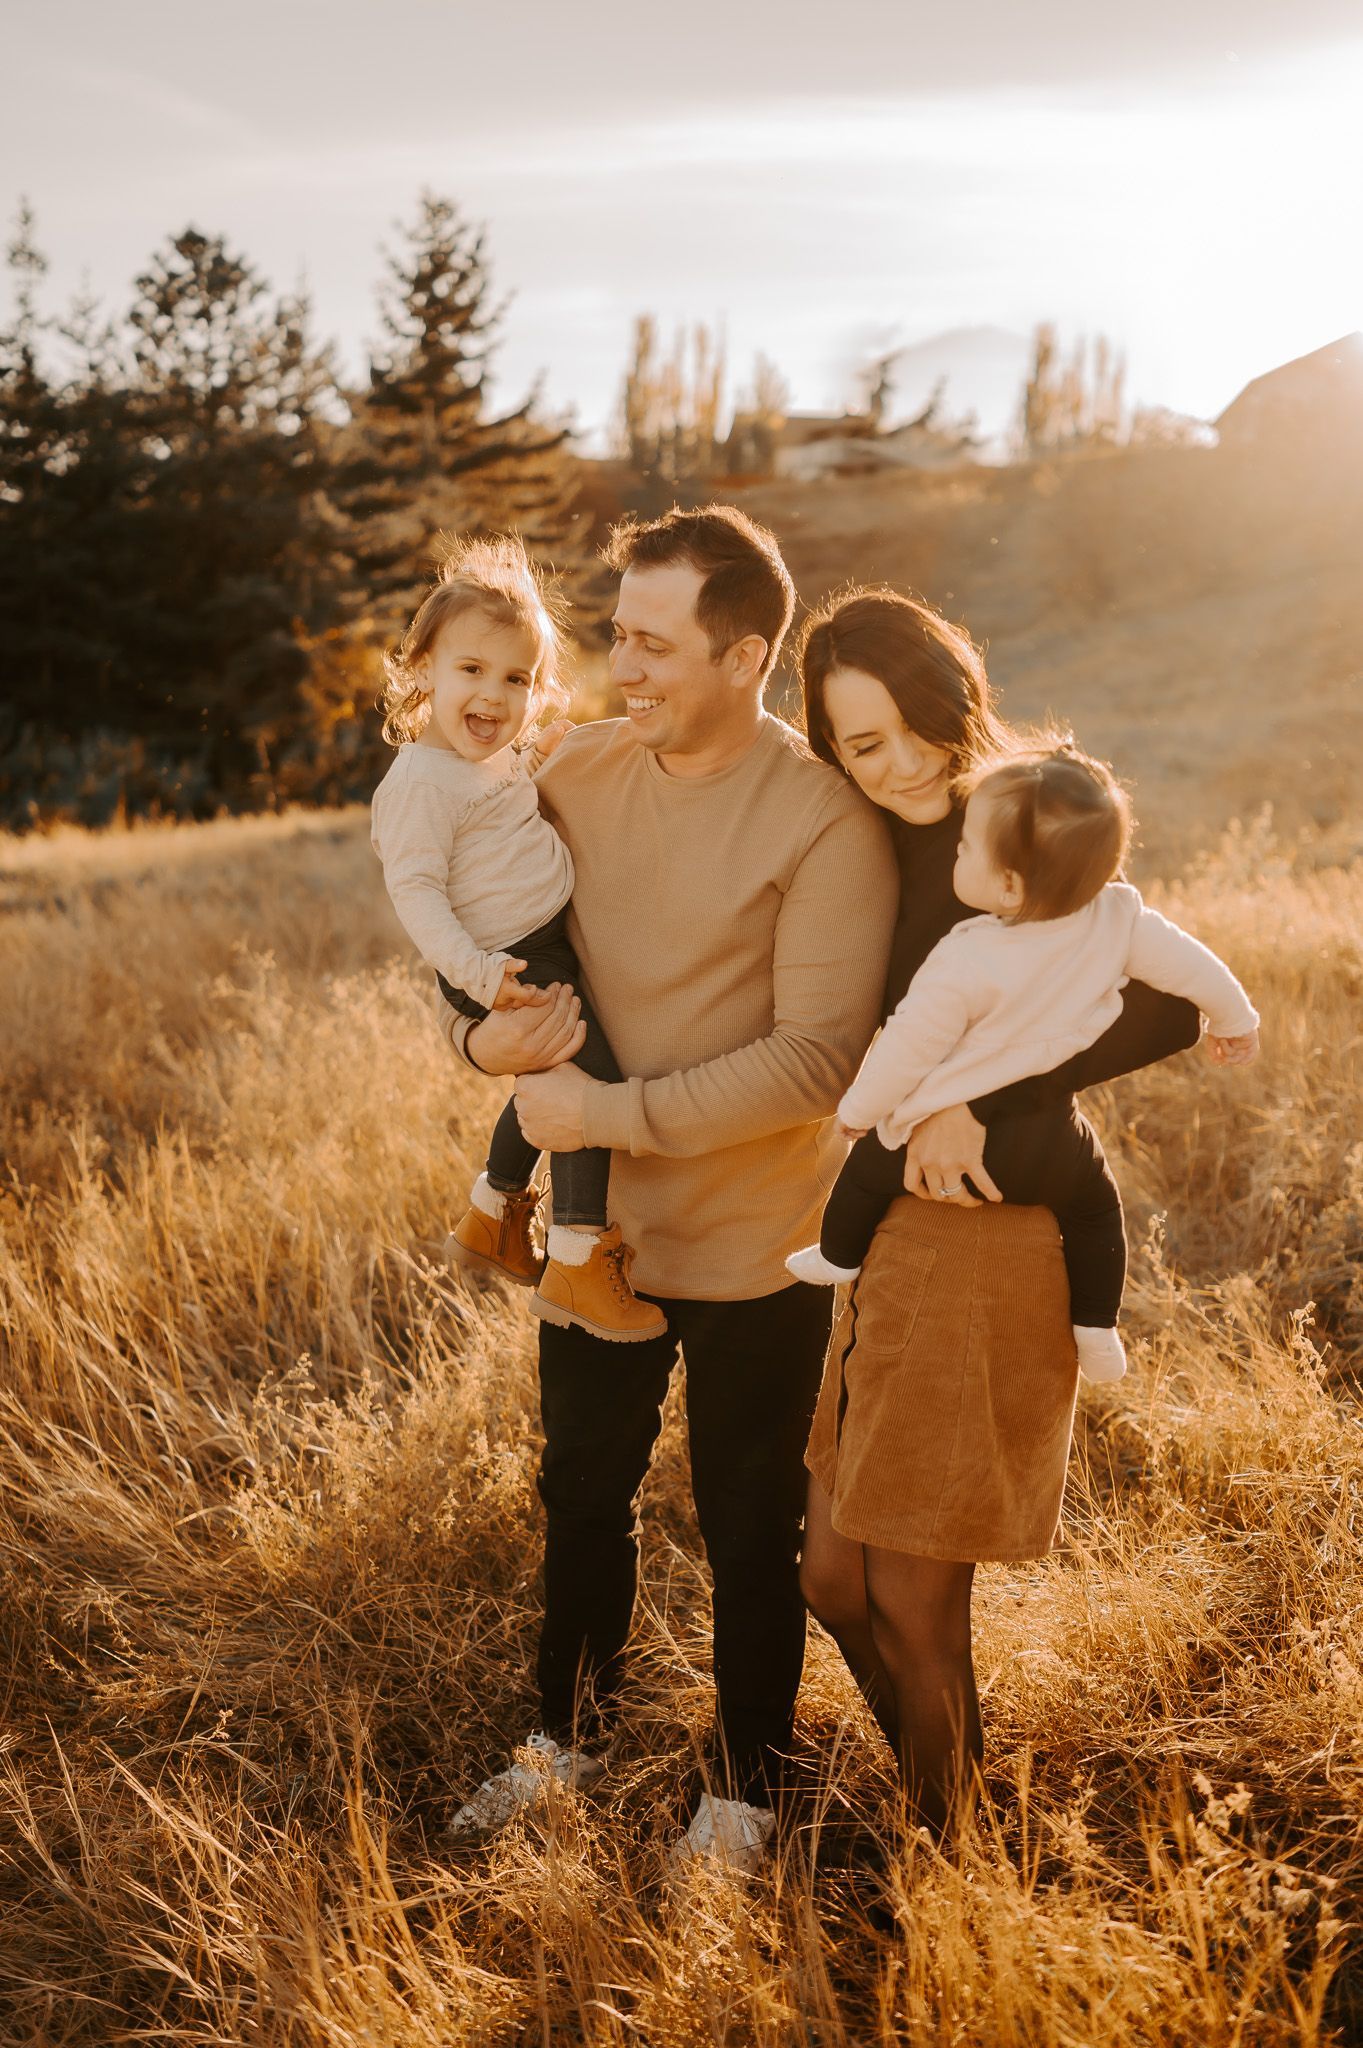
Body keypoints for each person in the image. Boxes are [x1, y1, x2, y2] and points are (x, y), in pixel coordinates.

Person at [437, 506, 901, 1869]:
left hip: (763, 1243)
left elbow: (818, 1059)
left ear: (742, 653)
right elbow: (482, 950)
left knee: (748, 1521)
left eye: (651, 643)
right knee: (580, 1491)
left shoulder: (821, 816)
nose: (617, 666)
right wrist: (476, 1042)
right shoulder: (574, 772)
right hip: (602, 1241)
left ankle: (745, 1789)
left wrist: (606, 1113)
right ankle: (560, 1742)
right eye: (616, 635)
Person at [791, 587, 1208, 1845]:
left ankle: (949, 1852)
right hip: (893, 1241)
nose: (903, 761)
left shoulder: (1022, 827)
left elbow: (1171, 1006)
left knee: (914, 1597)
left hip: (996, 1239)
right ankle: (949, 1794)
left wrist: (986, 1096)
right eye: (862, 745)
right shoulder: (856, 847)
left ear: (955, 702)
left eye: (918, 724)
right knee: (829, 1576)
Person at [788, 740, 1260, 1383]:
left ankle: (838, 1255)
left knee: (870, 1169)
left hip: (954, 1138)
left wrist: (856, 1112)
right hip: (1049, 1143)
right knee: (1096, 1210)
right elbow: (1195, 968)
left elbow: (907, 1046)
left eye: (966, 848)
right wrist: (1237, 1021)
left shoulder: (967, 956)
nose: (957, 850)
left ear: (1008, 884)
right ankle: (1096, 1327)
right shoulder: (1118, 918)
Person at [371, 535, 665, 1343]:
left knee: (549, 1077)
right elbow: (418, 893)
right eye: (471, 670)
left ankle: (492, 1208)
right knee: (587, 1082)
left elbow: (499, 814)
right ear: (421, 666)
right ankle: (573, 1256)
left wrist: (536, 756)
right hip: (504, 957)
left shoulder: (481, 759)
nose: (495, 697)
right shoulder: (418, 784)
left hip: (531, 944)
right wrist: (482, 974)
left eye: (518, 679)